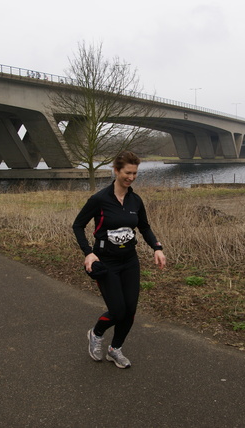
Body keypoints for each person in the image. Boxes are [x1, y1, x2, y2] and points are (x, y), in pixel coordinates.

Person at [72, 151, 166, 369]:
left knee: (130, 310)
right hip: (106, 262)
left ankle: (116, 349)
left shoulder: (135, 200)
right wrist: (88, 252)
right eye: (127, 172)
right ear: (116, 171)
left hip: (130, 260)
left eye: (134, 173)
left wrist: (157, 248)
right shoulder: (100, 199)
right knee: (117, 311)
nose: (131, 177)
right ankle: (96, 334)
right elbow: (78, 225)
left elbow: (143, 227)